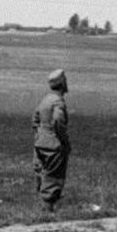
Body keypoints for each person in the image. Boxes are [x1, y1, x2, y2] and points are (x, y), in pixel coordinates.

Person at [32, 69, 71, 212]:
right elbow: (58, 122)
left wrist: (40, 136)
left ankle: (42, 208)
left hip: (41, 143)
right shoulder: (58, 102)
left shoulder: (45, 100)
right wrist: (63, 141)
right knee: (54, 179)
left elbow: (35, 120)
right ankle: (47, 212)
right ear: (62, 84)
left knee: (42, 175)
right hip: (54, 145)